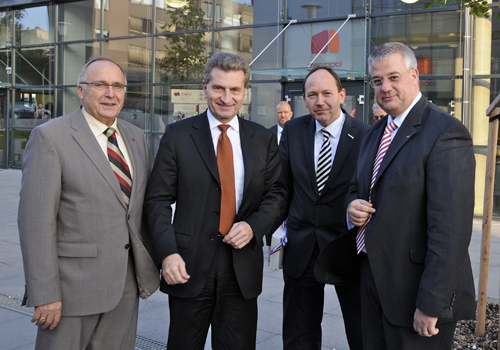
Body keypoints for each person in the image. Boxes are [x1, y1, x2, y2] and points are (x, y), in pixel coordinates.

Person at [17, 56, 160, 350]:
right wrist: (45, 294)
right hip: (72, 290)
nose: (111, 93)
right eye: (100, 85)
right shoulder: (50, 137)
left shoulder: (135, 137)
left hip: (125, 285)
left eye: (118, 86)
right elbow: (35, 224)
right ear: (81, 91)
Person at [144, 52, 285, 350]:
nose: (226, 97)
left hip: (241, 269)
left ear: (244, 92)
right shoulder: (177, 135)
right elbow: (156, 200)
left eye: (234, 89)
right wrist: (167, 253)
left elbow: (277, 194)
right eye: (219, 88)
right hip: (188, 265)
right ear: (205, 86)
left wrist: (254, 226)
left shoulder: (262, 138)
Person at [346, 42, 476, 349]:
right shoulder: (375, 133)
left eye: (393, 77)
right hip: (373, 282)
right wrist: (351, 206)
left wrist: (432, 303)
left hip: (416, 293)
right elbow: (355, 187)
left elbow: (451, 230)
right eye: (377, 81)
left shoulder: (446, 132)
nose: (385, 87)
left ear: (414, 75)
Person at [271, 66, 369, 350]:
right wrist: (272, 235)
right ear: (303, 99)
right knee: (299, 333)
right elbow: (282, 187)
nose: (319, 101)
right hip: (302, 247)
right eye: (312, 95)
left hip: (348, 247)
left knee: (361, 329)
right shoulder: (292, 130)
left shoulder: (365, 135)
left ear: (341, 95)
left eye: (327, 93)